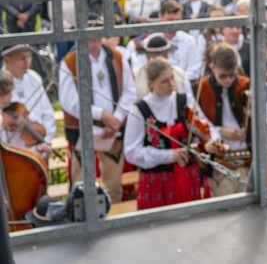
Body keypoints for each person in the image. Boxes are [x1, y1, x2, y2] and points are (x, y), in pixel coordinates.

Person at [59, 15, 138, 203]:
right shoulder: (69, 62)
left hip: (113, 130)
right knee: (80, 184)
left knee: (114, 184)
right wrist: (101, 115)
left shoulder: (117, 57)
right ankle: (83, 220)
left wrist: (116, 119)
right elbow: (69, 101)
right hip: (83, 130)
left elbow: (130, 92)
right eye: (89, 30)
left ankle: (114, 217)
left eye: (97, 30)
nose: (93, 36)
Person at [124, 57, 205, 209]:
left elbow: (200, 132)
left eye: (172, 78)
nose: (171, 85)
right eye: (164, 81)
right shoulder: (140, 110)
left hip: (186, 178)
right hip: (156, 183)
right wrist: (169, 155)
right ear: (151, 83)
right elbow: (131, 152)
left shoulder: (184, 101)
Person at [195, 43, 252, 196]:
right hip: (219, 161)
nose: (228, 80)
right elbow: (199, 124)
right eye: (223, 76)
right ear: (212, 67)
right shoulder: (202, 87)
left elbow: (256, 120)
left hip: (246, 158)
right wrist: (220, 131)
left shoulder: (245, 84)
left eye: (232, 75)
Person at [1, 44, 56, 149]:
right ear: (7, 59)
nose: (26, 62)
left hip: (39, 146)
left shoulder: (34, 78)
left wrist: (46, 139)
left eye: (28, 56)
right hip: (13, 150)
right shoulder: (1, 82)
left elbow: (47, 112)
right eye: (21, 58)